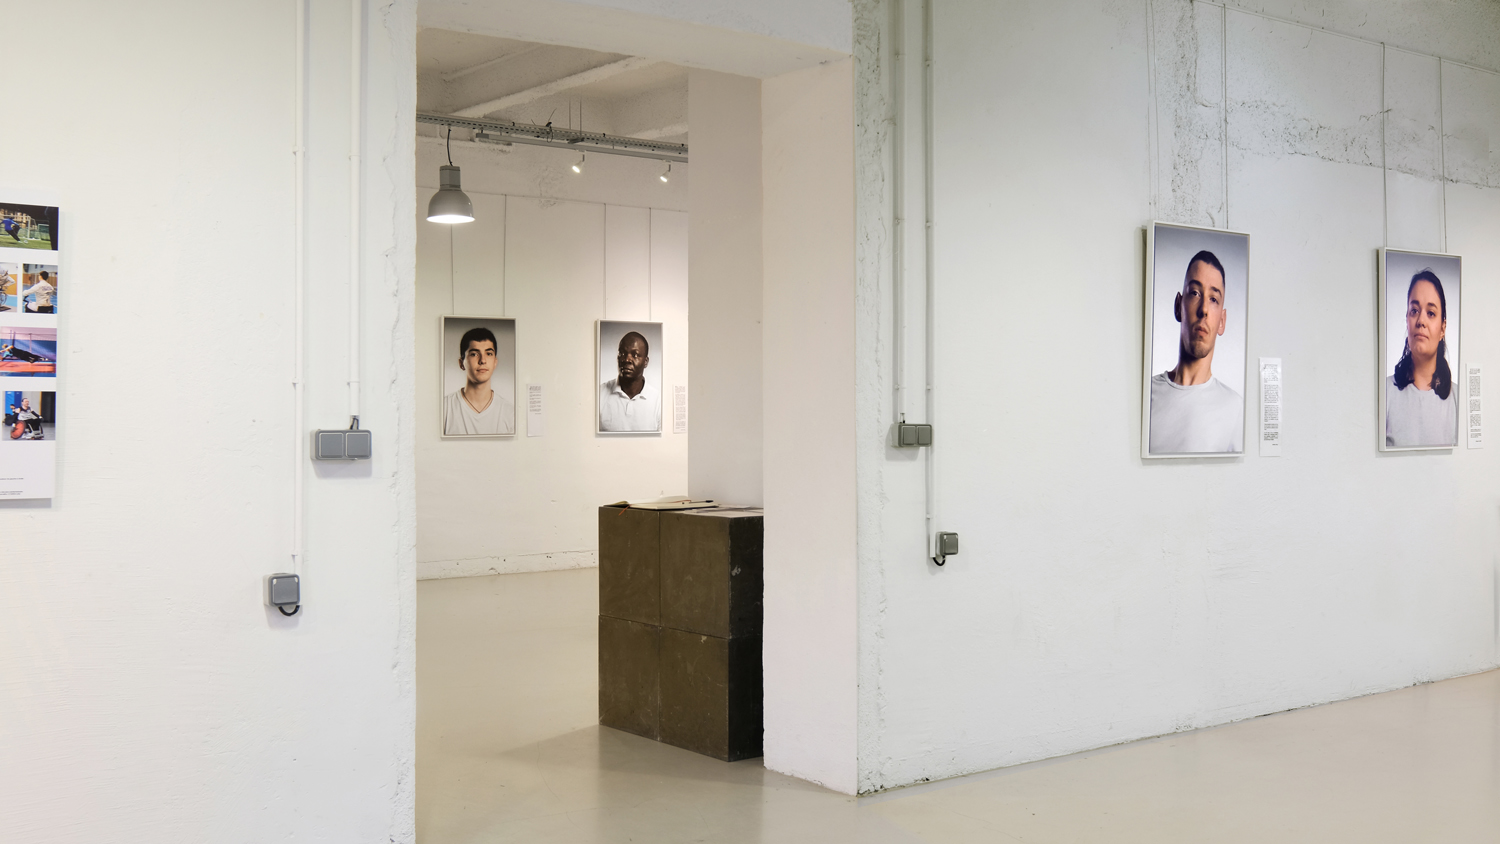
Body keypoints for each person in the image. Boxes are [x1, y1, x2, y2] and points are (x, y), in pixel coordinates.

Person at [1149, 249, 1243, 453]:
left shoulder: (1235, 409)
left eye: (1213, 299)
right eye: (1195, 293)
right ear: (1178, 306)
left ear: (1222, 321)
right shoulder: (1146, 395)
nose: (1204, 310)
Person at [1386, 269, 1456, 448]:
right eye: (1414, 311)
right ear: (1407, 320)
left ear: (1442, 328)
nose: (1421, 321)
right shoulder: (1384, 394)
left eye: (1431, 313)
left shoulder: (1458, 400)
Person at [443, 326, 513, 436]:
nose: (482, 360)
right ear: (461, 363)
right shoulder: (444, 408)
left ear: (495, 362)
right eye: (474, 354)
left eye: (488, 353)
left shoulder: (510, 413)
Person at [598, 331, 660, 432]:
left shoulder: (658, 401)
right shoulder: (599, 394)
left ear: (646, 362)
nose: (627, 359)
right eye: (622, 353)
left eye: (635, 355)